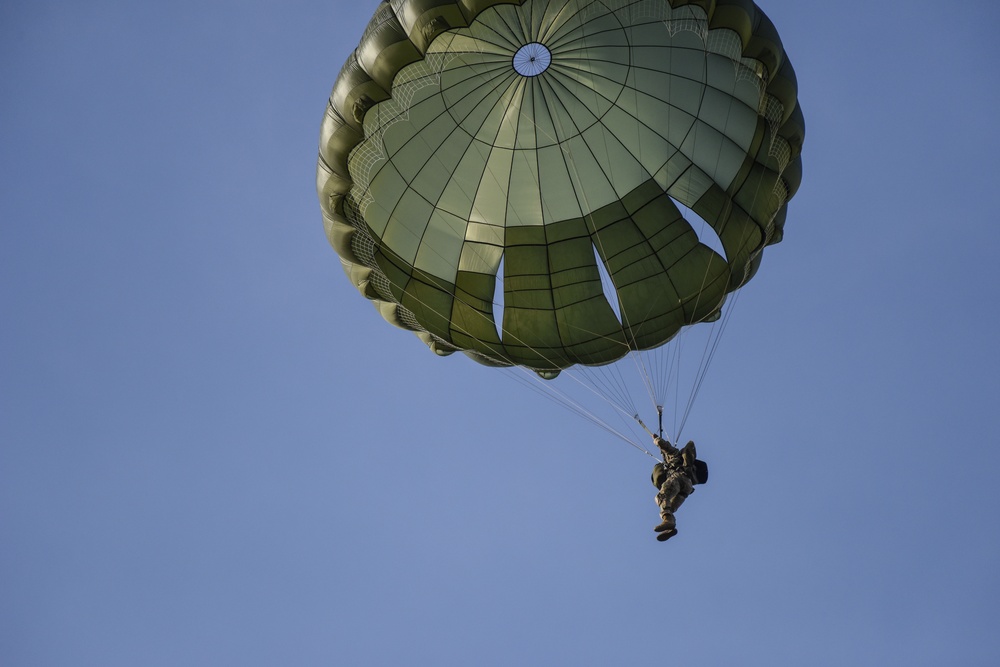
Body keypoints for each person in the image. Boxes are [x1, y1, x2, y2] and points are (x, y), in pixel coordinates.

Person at [650, 435, 705, 542]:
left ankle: (668, 521)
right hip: (687, 488)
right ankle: (670, 526)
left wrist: (656, 440)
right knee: (670, 507)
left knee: (661, 497)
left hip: (678, 478)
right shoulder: (689, 467)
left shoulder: (674, 455)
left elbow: (665, 446)